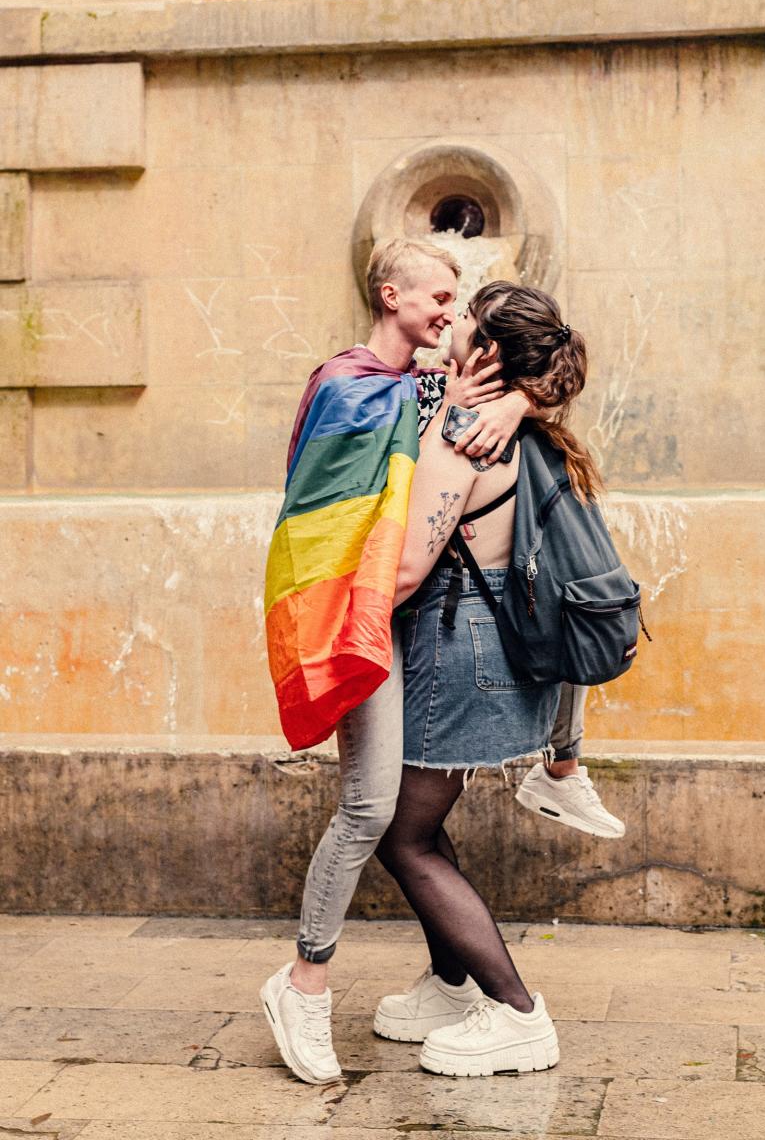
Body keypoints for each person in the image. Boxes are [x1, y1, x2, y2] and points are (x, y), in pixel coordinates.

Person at [260, 239, 529, 1086]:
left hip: (403, 625)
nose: (451, 309)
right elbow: (329, 507)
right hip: (354, 611)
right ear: (391, 294)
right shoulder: (348, 384)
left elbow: (548, 374)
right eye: (440, 295)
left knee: (405, 819)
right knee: (371, 809)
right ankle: (303, 983)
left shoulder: (429, 391)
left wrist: (516, 402)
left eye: (458, 298)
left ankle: (450, 986)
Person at [372, 282, 605, 1078]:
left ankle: (515, 1012)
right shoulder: (518, 424)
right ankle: (449, 985)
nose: (450, 323)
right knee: (420, 827)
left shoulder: (466, 434)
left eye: (464, 318)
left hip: (457, 645)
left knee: (402, 837)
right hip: (492, 641)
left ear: (491, 353)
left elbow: (408, 568)